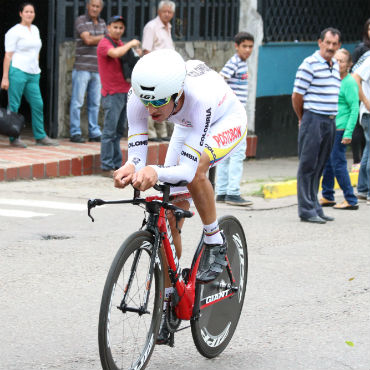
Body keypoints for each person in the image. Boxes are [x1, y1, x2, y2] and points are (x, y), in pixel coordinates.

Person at [113, 49, 247, 343]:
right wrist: (130, 166)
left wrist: (155, 172)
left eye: (159, 102)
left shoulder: (198, 98)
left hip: (225, 120)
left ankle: (215, 240)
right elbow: (137, 156)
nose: (151, 110)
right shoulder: (140, 96)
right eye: (146, 102)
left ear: (177, 92)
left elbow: (185, 170)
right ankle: (171, 296)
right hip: (186, 125)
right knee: (170, 214)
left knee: (197, 170)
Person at [292, 28, 341, 224]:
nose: (330, 47)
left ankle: (315, 205)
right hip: (313, 118)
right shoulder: (309, 64)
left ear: (338, 46)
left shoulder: (335, 65)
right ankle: (306, 209)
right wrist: (303, 117)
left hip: (330, 120)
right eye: (327, 43)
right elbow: (297, 96)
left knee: (320, 165)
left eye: (334, 44)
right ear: (320, 42)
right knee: (308, 164)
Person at [1, 2, 58, 148]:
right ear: (20, 13)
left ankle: (40, 136)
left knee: (38, 104)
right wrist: (5, 77)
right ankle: (14, 138)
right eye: (26, 11)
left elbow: (36, 51)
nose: (29, 14)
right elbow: (8, 55)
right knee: (14, 104)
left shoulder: (35, 29)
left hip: (33, 73)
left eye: (31, 12)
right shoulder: (14, 32)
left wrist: (36, 66)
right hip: (18, 71)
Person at [97, 16, 141, 177]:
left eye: (121, 28)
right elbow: (115, 54)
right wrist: (131, 44)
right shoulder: (105, 43)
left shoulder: (121, 43)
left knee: (118, 132)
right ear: (108, 27)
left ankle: (116, 164)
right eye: (115, 27)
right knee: (109, 132)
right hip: (111, 93)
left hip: (124, 91)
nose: (118, 30)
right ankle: (106, 165)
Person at [215, 31, 254, 207]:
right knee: (238, 153)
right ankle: (233, 192)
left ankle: (222, 192)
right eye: (244, 46)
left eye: (250, 46)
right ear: (236, 46)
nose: (248, 50)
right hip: (234, 115)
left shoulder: (242, 63)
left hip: (231, 114)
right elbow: (220, 79)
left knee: (226, 153)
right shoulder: (235, 62)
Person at [320, 49, 359, 210]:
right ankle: (327, 196)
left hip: (341, 129)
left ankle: (350, 198)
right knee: (327, 163)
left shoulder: (349, 82)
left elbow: (354, 108)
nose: (338, 63)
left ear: (349, 65)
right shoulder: (334, 78)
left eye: (342, 61)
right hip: (331, 127)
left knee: (338, 163)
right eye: (336, 60)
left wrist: (349, 132)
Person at [69, 0, 106, 144]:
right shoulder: (80, 20)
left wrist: (97, 38)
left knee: (95, 103)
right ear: (88, 6)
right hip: (82, 68)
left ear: (100, 8)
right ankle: (75, 132)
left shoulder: (103, 22)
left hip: (98, 69)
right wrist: (103, 37)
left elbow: (108, 41)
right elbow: (87, 40)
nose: (95, 9)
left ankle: (94, 132)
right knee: (77, 102)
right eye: (93, 6)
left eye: (97, 6)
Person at [141, 0, 176, 142]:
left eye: (170, 12)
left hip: (167, 73)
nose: (167, 14)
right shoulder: (152, 27)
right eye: (164, 11)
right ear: (158, 12)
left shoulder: (168, 27)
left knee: (163, 102)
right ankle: (151, 133)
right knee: (151, 103)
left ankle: (162, 132)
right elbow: (146, 50)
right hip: (154, 70)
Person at [349, 18, 370, 172]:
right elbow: (354, 75)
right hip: (360, 96)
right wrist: (363, 98)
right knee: (357, 127)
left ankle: (363, 187)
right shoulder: (363, 51)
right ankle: (356, 160)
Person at [352, 55, 370, 205]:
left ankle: (363, 189)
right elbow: (355, 78)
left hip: (366, 115)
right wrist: (365, 101)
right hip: (369, 114)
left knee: (368, 151)